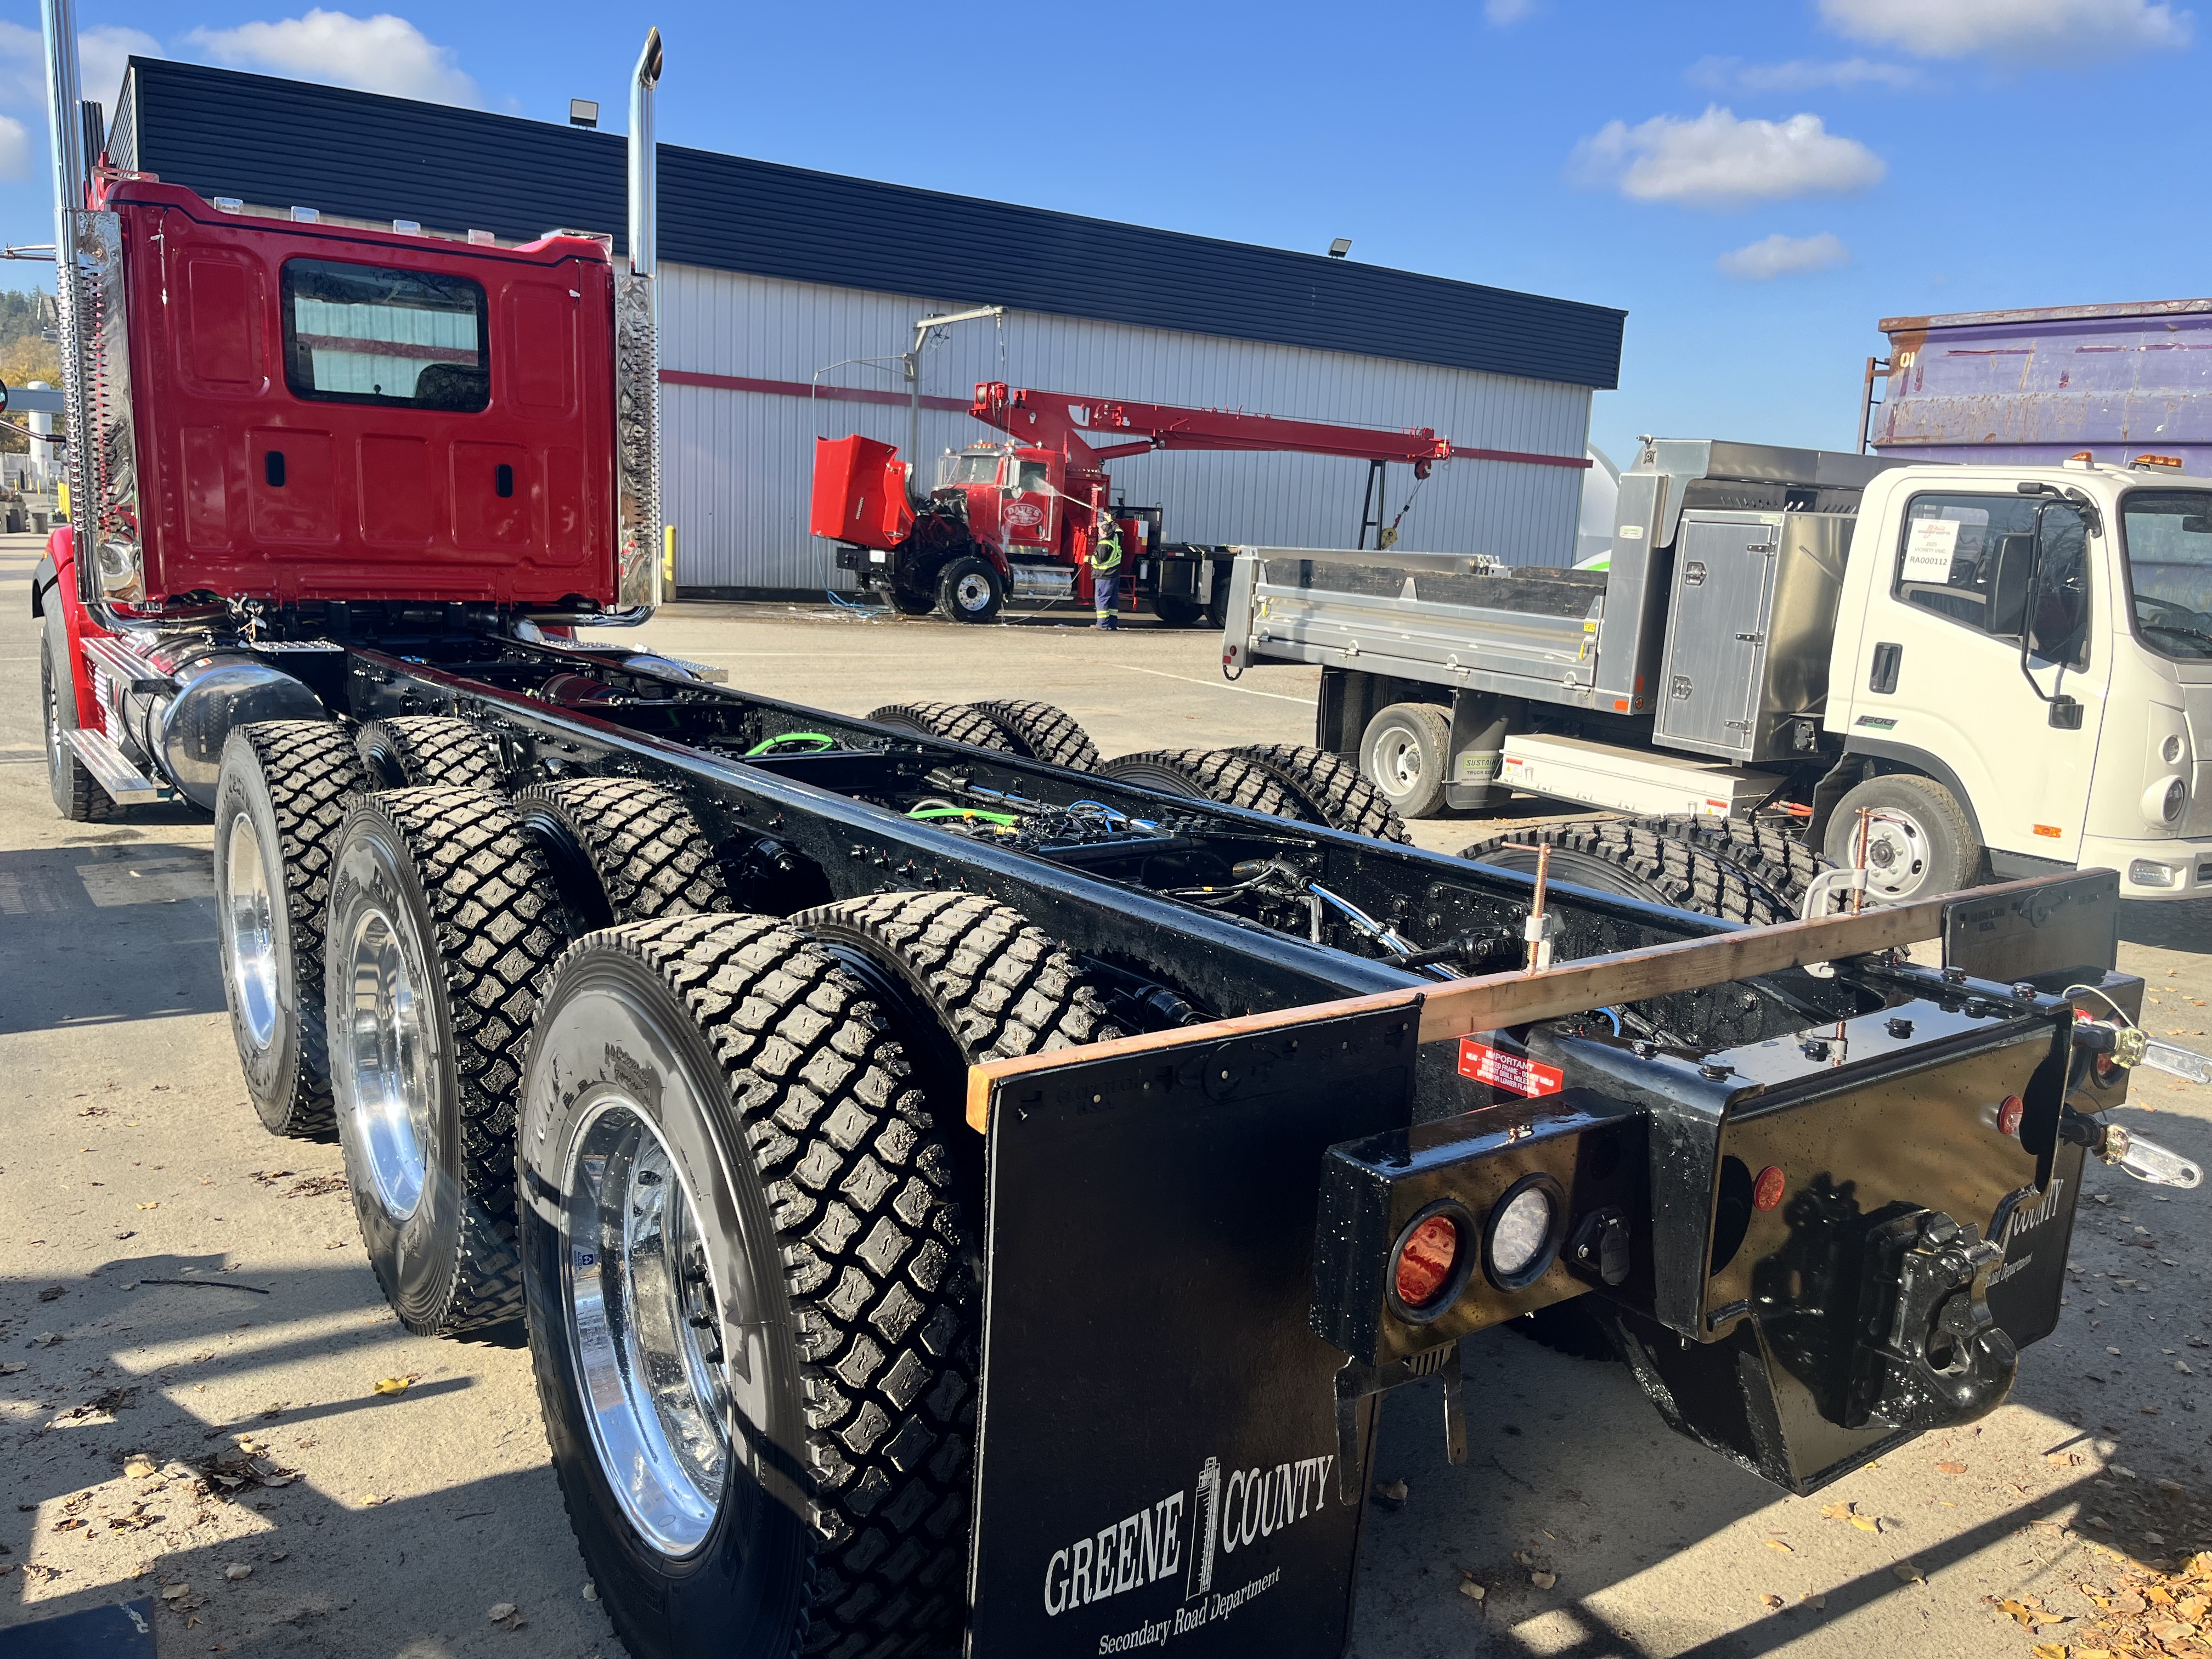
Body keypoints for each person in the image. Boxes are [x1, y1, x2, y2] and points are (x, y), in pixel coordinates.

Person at [1090, 511, 1123, 630]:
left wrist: (1088, 559)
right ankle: (1112, 624)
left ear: (1103, 532)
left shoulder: (1104, 544)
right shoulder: (1115, 538)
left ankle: (1102, 624)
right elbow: (1119, 531)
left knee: (1102, 599)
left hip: (1104, 576)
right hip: (1114, 575)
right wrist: (1111, 521)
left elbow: (1098, 560)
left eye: (1100, 528)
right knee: (1112, 600)